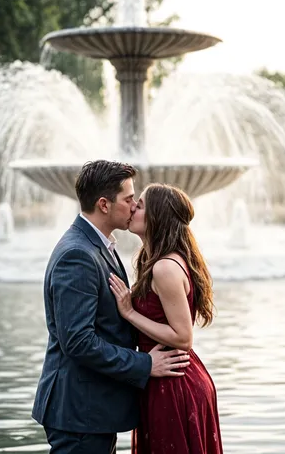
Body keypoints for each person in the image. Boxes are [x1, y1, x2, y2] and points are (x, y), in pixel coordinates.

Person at [32, 161, 191, 454]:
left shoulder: (98, 246)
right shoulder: (78, 255)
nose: (133, 207)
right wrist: (145, 364)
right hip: (79, 411)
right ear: (104, 204)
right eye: (129, 200)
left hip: (93, 409)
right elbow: (77, 341)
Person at [109, 183, 223, 454]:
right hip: (166, 376)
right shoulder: (156, 260)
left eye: (142, 205)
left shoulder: (164, 267)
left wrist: (129, 313)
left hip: (175, 383)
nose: (134, 207)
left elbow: (183, 337)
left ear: (157, 216)